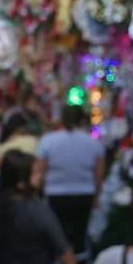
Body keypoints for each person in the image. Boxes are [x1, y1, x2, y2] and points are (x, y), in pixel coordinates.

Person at [33, 106, 105, 251]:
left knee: (55, 236)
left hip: (55, 194)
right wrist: (96, 196)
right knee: (79, 236)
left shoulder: (47, 141)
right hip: (84, 194)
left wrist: (36, 194)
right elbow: (98, 174)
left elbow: (39, 170)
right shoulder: (94, 144)